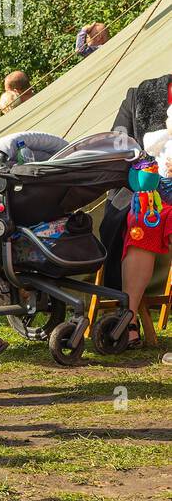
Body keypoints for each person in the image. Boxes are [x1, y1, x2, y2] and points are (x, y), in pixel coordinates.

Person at [97, 72, 172, 345]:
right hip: (147, 192)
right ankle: (127, 317)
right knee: (140, 223)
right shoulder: (140, 97)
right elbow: (118, 147)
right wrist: (146, 165)